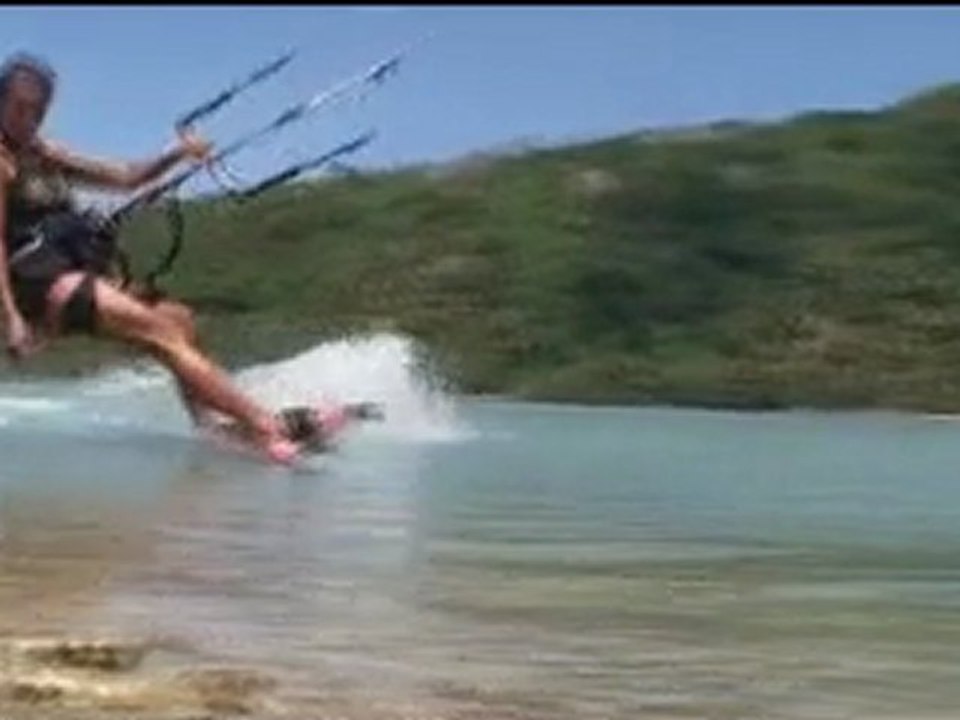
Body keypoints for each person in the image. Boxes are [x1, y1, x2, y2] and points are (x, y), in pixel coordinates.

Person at [0, 51, 305, 462]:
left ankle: (213, 430)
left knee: (178, 319)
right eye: (19, 108)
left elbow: (126, 178)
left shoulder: (44, 153)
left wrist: (178, 152)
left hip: (69, 272)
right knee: (161, 334)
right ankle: (269, 427)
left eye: (38, 110)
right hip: (34, 284)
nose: (29, 119)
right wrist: (13, 319)